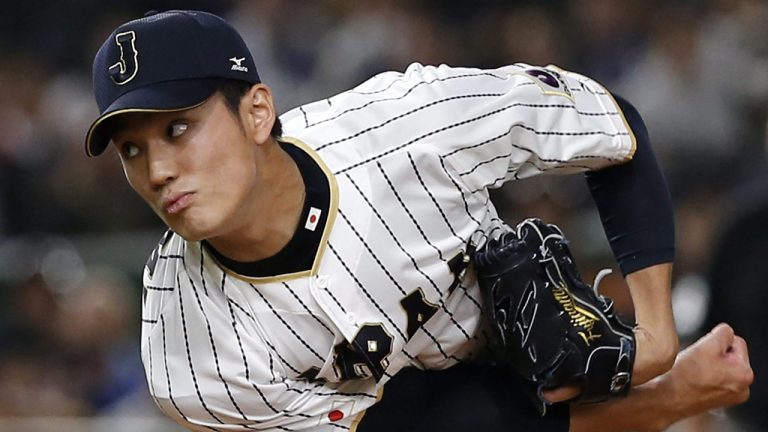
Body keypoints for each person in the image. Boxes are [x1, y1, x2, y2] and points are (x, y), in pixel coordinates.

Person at [83, 10, 752, 432]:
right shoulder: (184, 347)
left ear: (257, 113)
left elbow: (611, 124)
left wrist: (659, 338)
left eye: (179, 128)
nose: (158, 169)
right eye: (132, 149)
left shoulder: (407, 124)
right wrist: (671, 397)